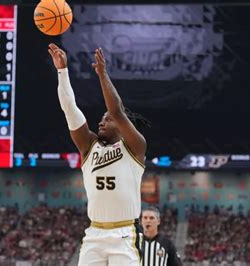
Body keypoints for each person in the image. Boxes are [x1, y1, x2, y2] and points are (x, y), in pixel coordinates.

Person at [48, 43, 146, 266]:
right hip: (95, 233)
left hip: (124, 234)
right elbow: (70, 108)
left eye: (107, 120)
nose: (101, 121)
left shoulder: (135, 147)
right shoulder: (88, 145)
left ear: (122, 126)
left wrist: (102, 75)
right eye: (102, 119)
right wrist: (62, 72)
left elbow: (117, 111)